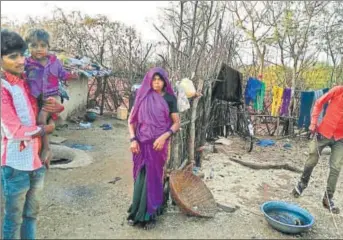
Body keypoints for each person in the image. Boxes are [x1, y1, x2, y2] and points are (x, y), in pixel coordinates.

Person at [1, 29, 64, 239]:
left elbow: (49, 103)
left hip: (36, 161)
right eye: (13, 57)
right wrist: (45, 129)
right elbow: (14, 131)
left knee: (31, 216)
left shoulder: (27, 81)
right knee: (13, 219)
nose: (20, 61)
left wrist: (56, 107)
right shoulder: (3, 88)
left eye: (21, 54)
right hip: (15, 164)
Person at [127, 67, 180, 230]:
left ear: (165, 81)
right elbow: (131, 121)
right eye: (154, 79)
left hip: (158, 145)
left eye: (160, 79)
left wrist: (164, 137)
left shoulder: (170, 99)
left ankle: (149, 215)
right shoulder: (143, 97)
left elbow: (176, 123)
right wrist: (133, 139)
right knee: (141, 177)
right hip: (141, 144)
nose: (156, 82)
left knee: (154, 178)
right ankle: (137, 213)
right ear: (149, 80)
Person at [24, 29, 76, 168]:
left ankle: (46, 148)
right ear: (28, 47)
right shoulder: (27, 64)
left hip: (52, 95)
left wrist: (71, 75)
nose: (38, 49)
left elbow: (63, 74)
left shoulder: (54, 62)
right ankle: (39, 152)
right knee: (37, 121)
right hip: (36, 97)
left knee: (42, 118)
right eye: (34, 45)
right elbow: (21, 77)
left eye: (42, 45)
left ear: (48, 47)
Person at [293, 85, 343, 214]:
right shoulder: (338, 90)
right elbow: (319, 102)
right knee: (312, 159)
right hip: (323, 132)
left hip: (340, 138)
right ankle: (302, 184)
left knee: (336, 167)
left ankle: (328, 198)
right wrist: (314, 123)